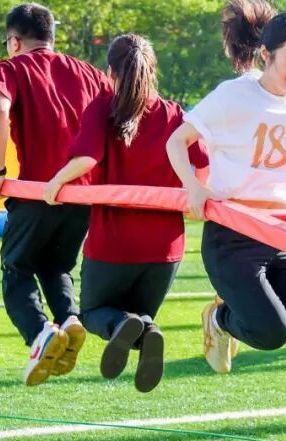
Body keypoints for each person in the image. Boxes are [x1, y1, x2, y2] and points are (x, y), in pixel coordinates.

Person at [166, 0, 286, 376]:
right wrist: (193, 186)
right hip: (233, 233)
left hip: (284, 230)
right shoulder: (233, 95)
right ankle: (219, 319)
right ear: (266, 54)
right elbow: (176, 141)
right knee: (270, 333)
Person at [44, 35, 208, 392]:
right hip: (166, 249)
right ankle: (147, 330)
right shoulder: (175, 114)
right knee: (139, 320)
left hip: (114, 242)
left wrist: (55, 182)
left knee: (93, 314)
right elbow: (203, 167)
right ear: (153, 71)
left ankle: (129, 327)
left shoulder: (104, 107)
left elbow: (88, 158)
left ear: (110, 73)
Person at [0, 2, 111, 386]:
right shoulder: (90, 73)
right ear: (52, 36)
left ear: (14, 42)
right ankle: (69, 319)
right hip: (84, 196)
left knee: (16, 268)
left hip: (38, 190)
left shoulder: (11, 68)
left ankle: (40, 333)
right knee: (56, 267)